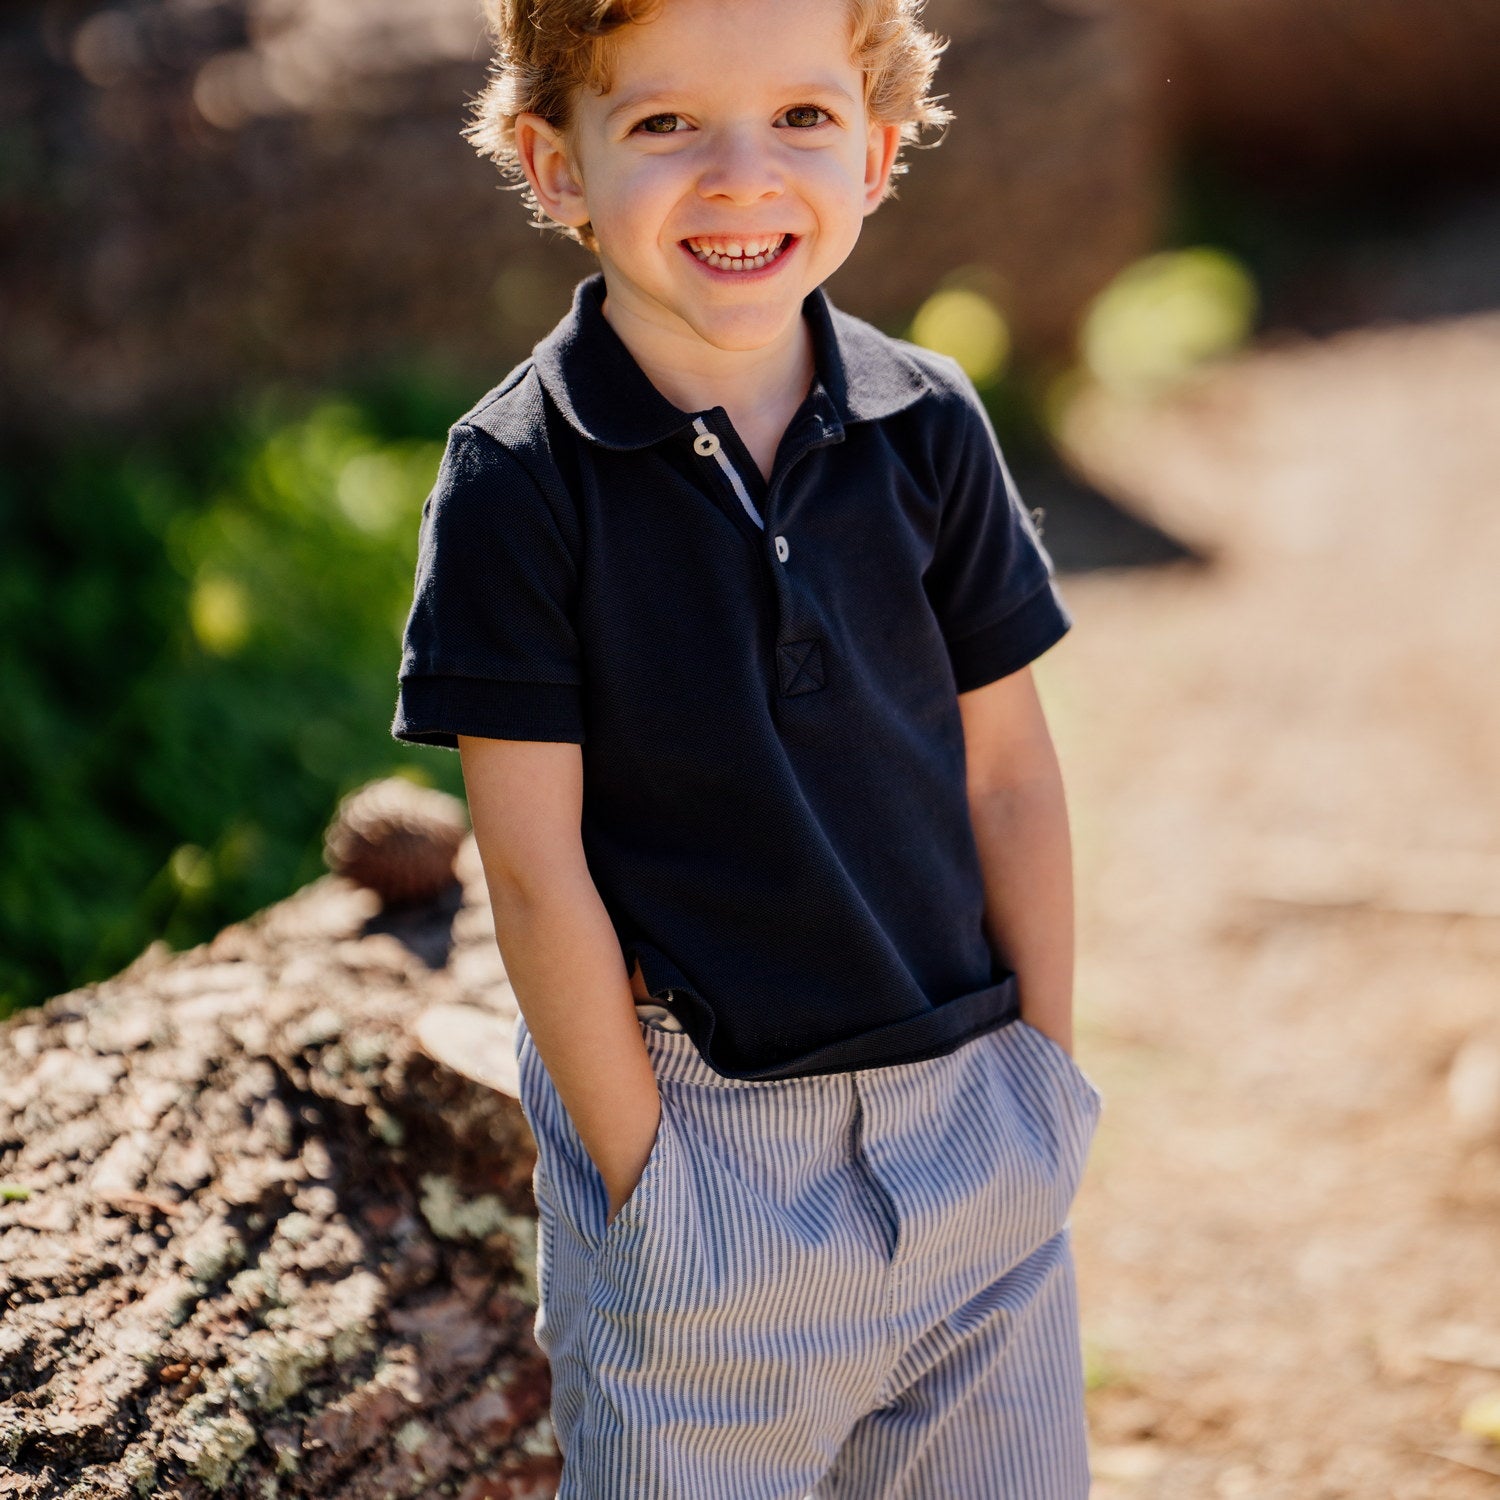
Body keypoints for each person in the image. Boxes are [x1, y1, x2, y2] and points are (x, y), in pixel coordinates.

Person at [391, 0, 1105, 1493]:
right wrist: (648, 1174)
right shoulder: (517, 482)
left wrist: (1043, 1064)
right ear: (552, 163)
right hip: (705, 1150)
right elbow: (530, 869)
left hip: (973, 1117)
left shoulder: (929, 422)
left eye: (801, 118)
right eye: (663, 125)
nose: (741, 176)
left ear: (878, 149)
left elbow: (1011, 774)